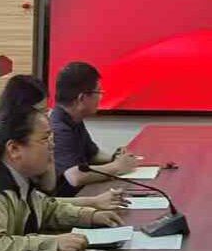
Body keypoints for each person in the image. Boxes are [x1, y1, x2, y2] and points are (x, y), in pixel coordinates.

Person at [0, 103, 125, 251]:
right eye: (45, 139)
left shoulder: (21, 178)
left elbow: (46, 209)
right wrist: (51, 243)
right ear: (14, 149)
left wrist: (90, 216)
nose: (52, 145)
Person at [49, 62, 143, 196]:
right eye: (98, 92)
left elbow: (93, 155)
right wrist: (117, 167)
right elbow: (75, 176)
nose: (101, 97)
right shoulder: (59, 128)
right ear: (82, 98)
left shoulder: (74, 119)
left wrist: (115, 157)